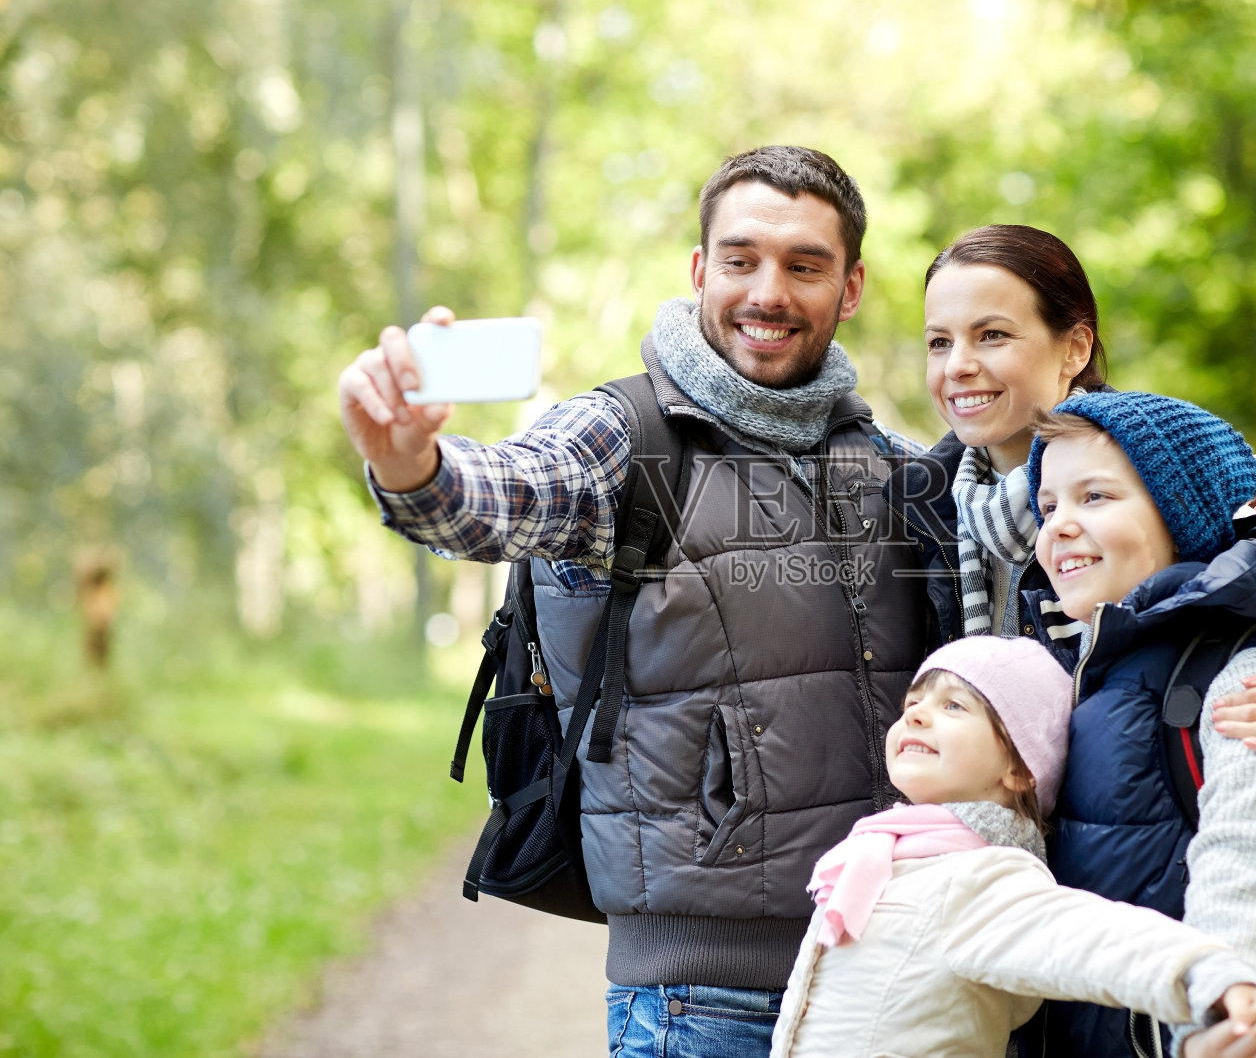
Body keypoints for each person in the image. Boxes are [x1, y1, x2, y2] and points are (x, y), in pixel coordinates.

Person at [339, 146, 933, 1058]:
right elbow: (506, 493)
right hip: (703, 999)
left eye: (804, 266)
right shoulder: (627, 432)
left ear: (850, 288)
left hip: (886, 981)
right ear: (700, 271)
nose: (768, 292)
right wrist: (410, 463)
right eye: (741, 260)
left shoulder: (888, 460)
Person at [886, 223, 1256, 771]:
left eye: (992, 335)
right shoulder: (916, 507)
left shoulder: (1171, 474)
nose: (957, 365)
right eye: (939, 342)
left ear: (1074, 347)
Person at [1023, 391, 1256, 1056]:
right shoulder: (1098, 663)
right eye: (1048, 507)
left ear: (1182, 513)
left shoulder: (1244, 669)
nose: (1059, 526)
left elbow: (1251, 850)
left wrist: (1224, 1000)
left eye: (1094, 497)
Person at [770, 635, 1256, 1058]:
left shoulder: (980, 879)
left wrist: (1210, 973)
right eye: (913, 702)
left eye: (955, 706)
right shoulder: (886, 856)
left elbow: (1090, 940)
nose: (915, 713)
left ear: (1019, 768)